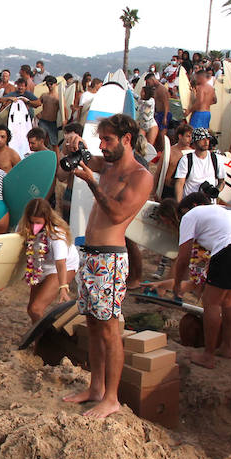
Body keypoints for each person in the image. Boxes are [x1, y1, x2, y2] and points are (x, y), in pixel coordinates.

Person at [60, 114, 154, 418]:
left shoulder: (140, 176)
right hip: (91, 253)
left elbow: (116, 214)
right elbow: (79, 162)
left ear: (127, 139)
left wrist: (91, 183)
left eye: (108, 140)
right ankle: (97, 387)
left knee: (111, 329)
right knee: (93, 324)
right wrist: (74, 146)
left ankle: (111, 397)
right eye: (100, 140)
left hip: (110, 258)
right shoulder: (109, 164)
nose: (102, 146)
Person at [169, 193, 231, 367]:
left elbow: (183, 258)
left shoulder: (191, 215)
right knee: (230, 298)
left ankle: (208, 356)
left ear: (192, 206)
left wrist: (177, 284)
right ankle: (227, 347)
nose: (181, 220)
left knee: (211, 301)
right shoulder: (223, 210)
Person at [17, 198, 77, 322]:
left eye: (38, 223)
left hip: (62, 267)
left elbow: (61, 263)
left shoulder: (56, 235)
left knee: (36, 309)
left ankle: (47, 339)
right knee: (32, 310)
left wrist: (63, 287)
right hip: (40, 266)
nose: (34, 226)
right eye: (31, 222)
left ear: (47, 219)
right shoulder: (23, 227)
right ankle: (39, 340)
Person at [173, 129, 223, 202]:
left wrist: (216, 191)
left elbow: (222, 181)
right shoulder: (186, 159)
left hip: (209, 205)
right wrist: (179, 205)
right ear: (195, 142)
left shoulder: (216, 159)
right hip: (191, 204)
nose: (206, 142)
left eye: (208, 139)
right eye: (202, 139)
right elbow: (179, 184)